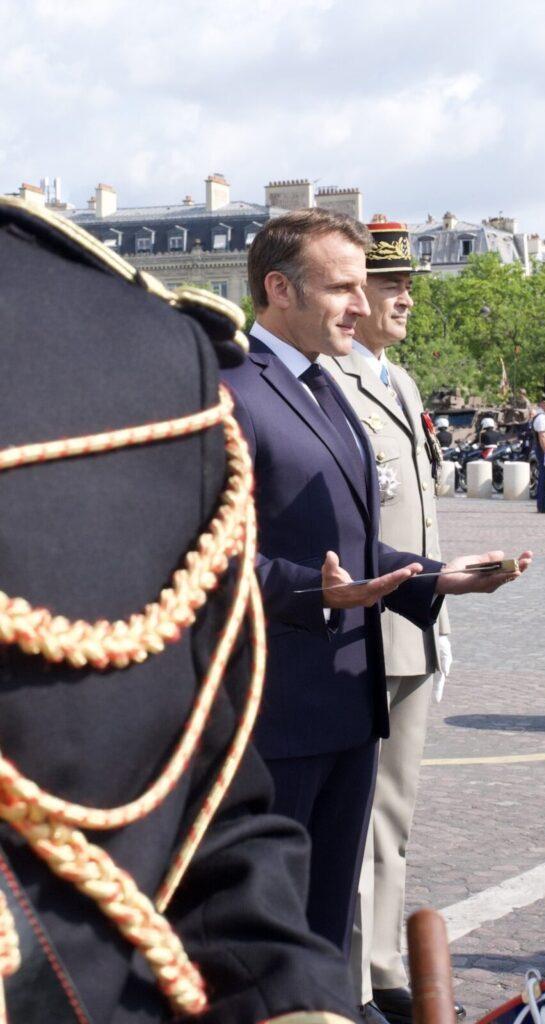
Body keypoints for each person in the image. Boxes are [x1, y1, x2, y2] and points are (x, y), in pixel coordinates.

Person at [0, 195, 359, 1022]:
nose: (365, 305)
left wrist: (291, 999)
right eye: (342, 286)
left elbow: (197, 795)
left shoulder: (131, 358)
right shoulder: (202, 370)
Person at [220, 209, 530, 1016]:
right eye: (342, 288)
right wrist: (313, 592)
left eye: (364, 287)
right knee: (267, 945)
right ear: (278, 288)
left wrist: (434, 579)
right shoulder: (232, 389)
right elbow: (206, 556)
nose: (361, 305)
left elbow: (354, 548)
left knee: (326, 932)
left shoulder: (326, 385)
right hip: (275, 714)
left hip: (348, 706)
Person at [319, 219, 462, 1024]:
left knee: (394, 812)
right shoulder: (331, 380)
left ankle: (380, 965)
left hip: (413, 623)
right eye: (391, 286)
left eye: (409, 285)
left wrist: (443, 605)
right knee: (359, 814)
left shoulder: (399, 382)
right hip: (362, 628)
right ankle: (355, 982)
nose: (405, 299)